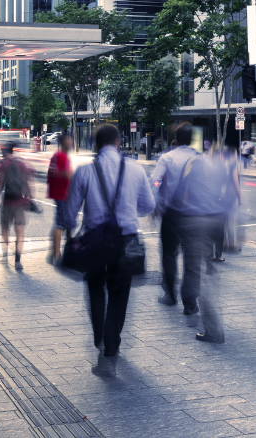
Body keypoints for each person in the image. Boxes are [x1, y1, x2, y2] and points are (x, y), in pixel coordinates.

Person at [60, 124, 155, 375]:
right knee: (120, 291)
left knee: (95, 288)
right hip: (125, 240)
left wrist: (71, 230)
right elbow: (147, 206)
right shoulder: (135, 170)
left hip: (94, 241)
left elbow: (70, 213)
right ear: (117, 142)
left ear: (96, 145)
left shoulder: (84, 172)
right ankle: (112, 343)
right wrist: (127, 208)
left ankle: (99, 335)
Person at [151, 124, 202, 316]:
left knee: (169, 254)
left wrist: (155, 205)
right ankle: (190, 303)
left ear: (177, 139)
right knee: (192, 258)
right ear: (191, 139)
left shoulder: (167, 157)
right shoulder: (199, 158)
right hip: (195, 213)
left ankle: (170, 295)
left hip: (171, 213)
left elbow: (155, 181)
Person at [0, 143, 36, 269]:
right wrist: (30, 198)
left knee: (5, 229)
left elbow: (0, 184)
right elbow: (26, 182)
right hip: (19, 202)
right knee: (19, 231)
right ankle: (18, 261)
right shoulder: (21, 164)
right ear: (13, 152)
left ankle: (5, 256)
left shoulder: (3, 165)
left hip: (7, 202)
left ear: (4, 152)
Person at [47, 132, 75, 263]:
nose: (71, 143)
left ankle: (55, 252)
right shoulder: (62, 157)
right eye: (69, 141)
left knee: (65, 223)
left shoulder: (56, 156)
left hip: (58, 193)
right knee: (60, 224)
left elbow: (50, 174)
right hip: (62, 193)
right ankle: (57, 256)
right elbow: (63, 173)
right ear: (64, 142)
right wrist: (74, 175)